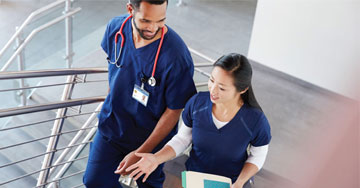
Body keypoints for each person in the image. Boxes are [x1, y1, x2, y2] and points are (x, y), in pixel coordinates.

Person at [82, 0, 197, 187]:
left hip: (150, 137)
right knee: (94, 181)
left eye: (161, 20)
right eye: (145, 21)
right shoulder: (115, 29)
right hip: (112, 126)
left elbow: (174, 110)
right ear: (130, 9)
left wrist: (141, 151)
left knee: (148, 183)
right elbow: (115, 70)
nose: (153, 28)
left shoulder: (176, 56)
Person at [125, 53, 272, 188]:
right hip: (196, 179)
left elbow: (258, 155)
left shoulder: (255, 121)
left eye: (221, 88)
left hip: (233, 184)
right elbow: (182, 139)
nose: (212, 90)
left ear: (242, 90)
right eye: (211, 80)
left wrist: (239, 182)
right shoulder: (197, 104)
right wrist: (156, 158)